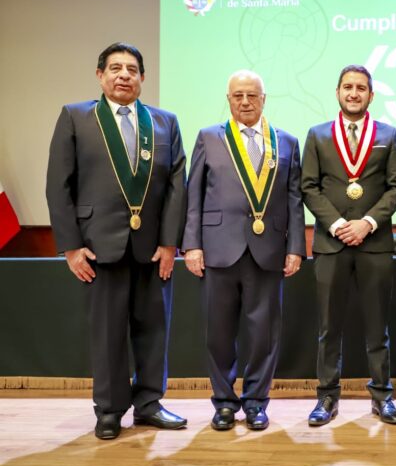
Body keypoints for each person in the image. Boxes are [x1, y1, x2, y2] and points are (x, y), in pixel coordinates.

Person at [45, 42, 187, 440]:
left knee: (153, 329)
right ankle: (109, 410)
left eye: (132, 69)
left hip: (153, 249)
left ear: (143, 77)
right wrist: (71, 247)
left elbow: (178, 186)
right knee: (107, 333)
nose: (124, 75)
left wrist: (170, 243)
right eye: (115, 68)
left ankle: (149, 404)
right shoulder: (76, 117)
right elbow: (59, 186)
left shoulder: (164, 123)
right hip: (97, 247)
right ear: (100, 75)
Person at [182, 70, 305, 431]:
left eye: (252, 95)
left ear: (264, 98)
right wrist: (192, 244)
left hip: (268, 251)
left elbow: (294, 199)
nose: (245, 102)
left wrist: (296, 246)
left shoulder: (286, 142)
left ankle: (255, 402)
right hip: (219, 250)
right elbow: (194, 196)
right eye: (238, 96)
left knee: (264, 334)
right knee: (218, 333)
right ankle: (223, 403)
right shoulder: (209, 137)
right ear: (229, 99)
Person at [301, 65, 396, 426]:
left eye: (361, 87)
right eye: (348, 86)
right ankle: (327, 398)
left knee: (378, 326)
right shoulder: (317, 135)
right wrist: (339, 224)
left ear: (371, 95)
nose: (354, 93)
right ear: (338, 92)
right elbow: (308, 187)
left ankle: (382, 396)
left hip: (374, 244)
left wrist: (368, 223)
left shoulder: (389, 135)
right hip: (332, 244)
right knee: (330, 327)